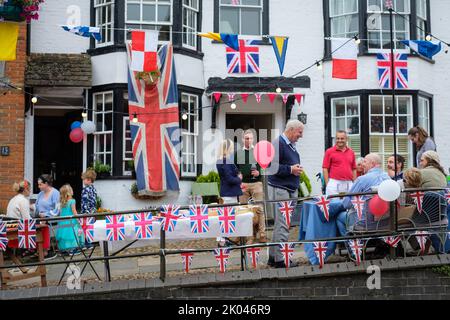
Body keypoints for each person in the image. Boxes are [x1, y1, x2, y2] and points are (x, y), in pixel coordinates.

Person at [267, 119, 304, 268]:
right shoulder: (278, 144)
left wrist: (294, 170)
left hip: (287, 188)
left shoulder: (290, 145)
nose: (301, 135)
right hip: (280, 188)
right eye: (299, 132)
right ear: (291, 130)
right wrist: (291, 170)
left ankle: (273, 257)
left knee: (280, 224)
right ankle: (281, 259)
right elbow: (271, 167)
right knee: (283, 224)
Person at [336, 153, 391, 236]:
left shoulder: (362, 179)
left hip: (365, 223)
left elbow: (346, 204)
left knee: (339, 217)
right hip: (386, 222)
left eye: (364, 161)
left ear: (372, 164)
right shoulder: (388, 178)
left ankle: (352, 245)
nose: (362, 164)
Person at [235, 130, 267, 244]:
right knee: (244, 210)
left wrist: (260, 173)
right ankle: (248, 236)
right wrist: (238, 175)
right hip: (243, 184)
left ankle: (262, 234)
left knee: (259, 209)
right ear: (243, 140)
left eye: (250, 138)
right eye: (246, 138)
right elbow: (235, 168)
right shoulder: (238, 153)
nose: (248, 140)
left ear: (254, 139)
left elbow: (265, 166)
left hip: (256, 183)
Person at [322, 130, 356, 196]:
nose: (339, 140)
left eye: (342, 138)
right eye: (337, 138)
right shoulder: (329, 151)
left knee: (348, 205)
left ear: (346, 139)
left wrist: (354, 183)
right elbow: (325, 168)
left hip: (348, 183)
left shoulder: (351, 152)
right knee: (333, 204)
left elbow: (354, 169)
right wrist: (327, 184)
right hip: (334, 183)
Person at [35, 174, 60, 260]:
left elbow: (57, 210)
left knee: (43, 224)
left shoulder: (55, 193)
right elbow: (37, 206)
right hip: (40, 218)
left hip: (51, 218)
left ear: (46, 183)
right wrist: (38, 213)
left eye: (40, 184)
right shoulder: (40, 194)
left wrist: (46, 215)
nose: (38, 186)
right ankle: (37, 249)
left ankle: (45, 250)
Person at [55, 184, 84, 254]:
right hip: (71, 221)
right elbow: (74, 211)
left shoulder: (61, 202)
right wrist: (78, 219)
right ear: (69, 192)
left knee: (64, 235)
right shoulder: (72, 201)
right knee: (73, 234)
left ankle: (64, 249)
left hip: (63, 222)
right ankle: (73, 249)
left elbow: (60, 212)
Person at [216, 139, 243, 204]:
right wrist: (239, 179)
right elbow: (229, 179)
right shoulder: (225, 162)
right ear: (227, 148)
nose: (233, 149)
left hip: (227, 193)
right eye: (231, 147)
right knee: (231, 213)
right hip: (229, 195)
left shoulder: (220, 161)